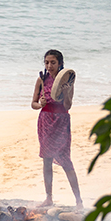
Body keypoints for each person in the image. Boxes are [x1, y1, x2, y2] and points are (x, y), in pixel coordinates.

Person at [31, 49, 82, 208]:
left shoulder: (67, 81)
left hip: (61, 121)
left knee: (66, 161)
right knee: (46, 161)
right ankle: (49, 198)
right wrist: (41, 104)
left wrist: (67, 93)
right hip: (45, 120)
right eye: (46, 62)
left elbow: (68, 105)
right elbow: (33, 104)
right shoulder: (41, 79)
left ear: (60, 63)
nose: (49, 65)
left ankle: (78, 200)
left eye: (53, 62)